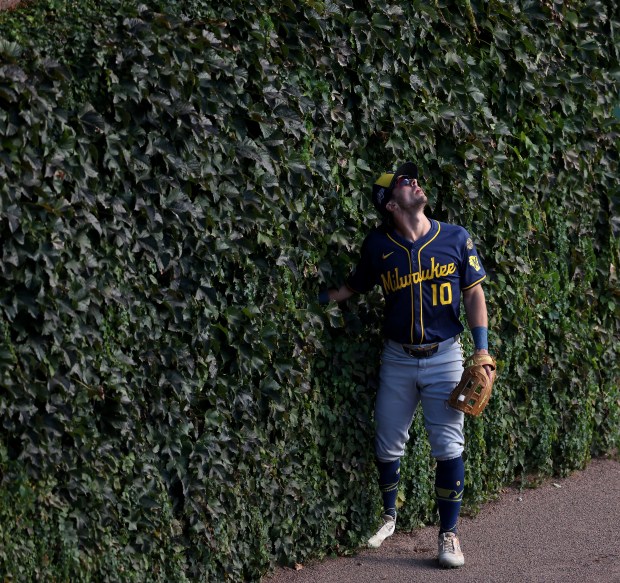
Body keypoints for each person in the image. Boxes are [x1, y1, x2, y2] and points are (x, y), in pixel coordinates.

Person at [319, 161, 494, 569]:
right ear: (391, 204)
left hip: (446, 356)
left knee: (449, 445)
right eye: (404, 182)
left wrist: (481, 350)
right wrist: (309, 302)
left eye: (414, 179)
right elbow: (351, 287)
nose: (415, 183)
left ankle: (448, 535)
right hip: (397, 358)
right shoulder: (378, 246)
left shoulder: (454, 237)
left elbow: (474, 294)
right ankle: (389, 516)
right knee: (386, 438)